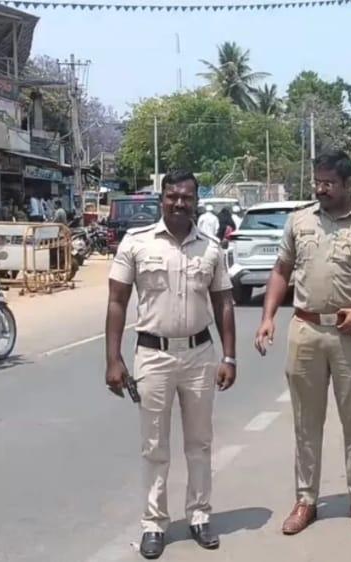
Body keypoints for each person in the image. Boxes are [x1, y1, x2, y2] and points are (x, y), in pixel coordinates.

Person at [254, 150, 351, 536]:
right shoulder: (300, 220)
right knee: (305, 423)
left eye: (329, 183)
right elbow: (281, 270)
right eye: (318, 181)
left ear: (349, 184)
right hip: (306, 330)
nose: (321, 188)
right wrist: (267, 317)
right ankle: (306, 501)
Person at [104, 170, 237, 560]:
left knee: (199, 443)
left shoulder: (211, 248)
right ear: (161, 199)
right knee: (154, 447)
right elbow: (117, 301)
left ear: (196, 201)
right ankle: (153, 524)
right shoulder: (137, 243)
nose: (180, 203)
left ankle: (199, 516)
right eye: (173, 196)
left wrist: (229, 356)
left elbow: (224, 303)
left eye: (187, 197)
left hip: (199, 355)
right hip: (153, 356)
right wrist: (114, 359)